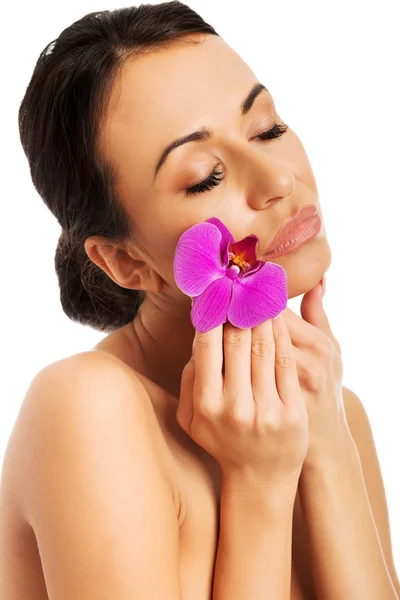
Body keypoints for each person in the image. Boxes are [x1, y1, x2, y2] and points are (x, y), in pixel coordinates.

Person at [1, 2, 399, 599]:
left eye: (268, 128)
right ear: (126, 262)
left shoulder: (333, 408)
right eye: (205, 176)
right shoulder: (89, 409)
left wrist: (328, 449)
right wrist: (258, 485)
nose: (279, 180)